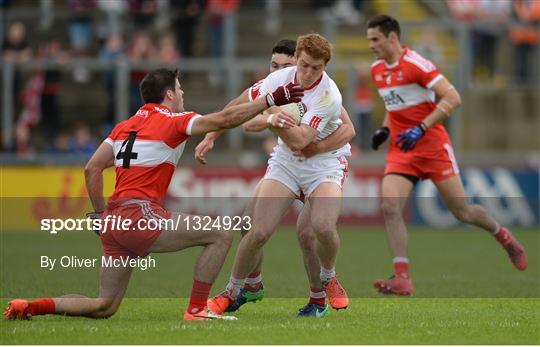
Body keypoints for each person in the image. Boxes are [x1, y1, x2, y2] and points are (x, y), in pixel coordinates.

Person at [4, 68, 303, 321]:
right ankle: (197, 309)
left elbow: (92, 168)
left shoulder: (124, 128)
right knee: (221, 233)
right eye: (180, 89)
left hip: (116, 223)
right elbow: (224, 120)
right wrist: (269, 99)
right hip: (140, 216)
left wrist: (100, 215)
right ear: (169, 95)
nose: (183, 94)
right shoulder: (173, 120)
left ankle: (30, 306)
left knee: (104, 305)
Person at [367, 15, 528, 296]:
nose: (370, 45)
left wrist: (421, 128)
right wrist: (384, 129)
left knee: (462, 211)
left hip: (432, 146)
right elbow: (396, 108)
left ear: (392, 38)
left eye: (375, 40)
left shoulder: (416, 64)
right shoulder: (377, 70)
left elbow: (453, 97)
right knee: (390, 206)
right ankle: (402, 278)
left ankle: (504, 237)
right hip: (403, 150)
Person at [196, 38, 355, 317]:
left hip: (323, 164)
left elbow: (301, 142)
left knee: (320, 228)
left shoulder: (329, 96)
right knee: (256, 230)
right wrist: (212, 134)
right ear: (297, 58)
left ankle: (328, 277)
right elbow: (241, 110)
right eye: (303, 65)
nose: (306, 73)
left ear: (325, 66)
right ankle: (232, 291)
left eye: (315, 68)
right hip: (287, 163)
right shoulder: (278, 79)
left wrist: (271, 118)